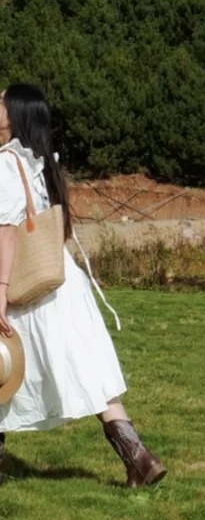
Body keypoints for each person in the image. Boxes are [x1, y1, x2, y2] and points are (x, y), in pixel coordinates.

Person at [0, 83, 166, 487]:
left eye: (1, 102)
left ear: (15, 115)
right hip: (62, 283)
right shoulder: (40, 163)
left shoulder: (7, 163)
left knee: (5, 366)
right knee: (87, 370)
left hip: (27, 287)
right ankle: (139, 458)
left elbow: (4, 233)